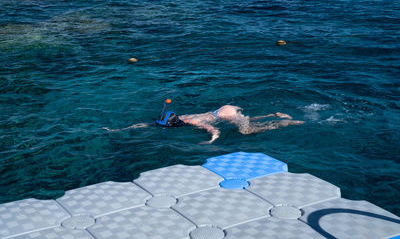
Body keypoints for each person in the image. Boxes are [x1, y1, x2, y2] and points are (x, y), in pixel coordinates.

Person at [103, 103, 304, 144]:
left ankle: (289, 122)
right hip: (224, 110)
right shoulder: (182, 116)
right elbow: (148, 124)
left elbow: (213, 129)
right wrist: (121, 129)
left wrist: (211, 141)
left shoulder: (193, 121)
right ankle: (274, 112)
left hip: (224, 115)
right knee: (246, 120)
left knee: (247, 131)